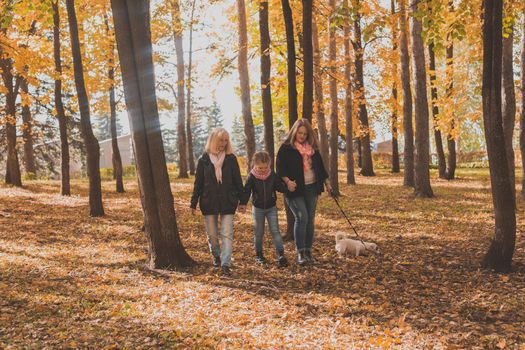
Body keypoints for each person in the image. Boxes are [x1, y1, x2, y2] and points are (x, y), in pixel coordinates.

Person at [190, 128, 245, 276]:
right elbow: (198, 183)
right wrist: (193, 203)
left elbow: (238, 180)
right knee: (212, 235)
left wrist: (243, 201)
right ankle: (216, 255)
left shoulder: (231, 158)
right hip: (209, 201)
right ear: (213, 140)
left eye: (226, 140)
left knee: (227, 233)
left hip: (228, 200)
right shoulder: (204, 160)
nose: (223, 143)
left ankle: (226, 263)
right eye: (221, 140)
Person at [276, 119, 331, 265]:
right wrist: (288, 182)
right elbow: (280, 169)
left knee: (310, 219)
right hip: (294, 189)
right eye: (300, 133)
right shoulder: (286, 148)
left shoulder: (312, 149)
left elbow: (320, 167)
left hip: (312, 187)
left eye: (305, 134)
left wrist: (327, 183)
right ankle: (300, 253)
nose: (302, 136)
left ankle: (308, 251)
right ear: (294, 132)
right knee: (302, 217)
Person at [241, 151, 288, 267]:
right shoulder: (251, 176)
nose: (263, 170)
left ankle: (281, 254)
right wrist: (242, 203)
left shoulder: (272, 175)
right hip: (258, 208)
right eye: (260, 167)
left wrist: (288, 186)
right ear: (254, 165)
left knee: (275, 231)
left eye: (265, 167)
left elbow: (279, 187)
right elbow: (246, 191)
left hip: (271, 207)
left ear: (269, 165)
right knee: (259, 232)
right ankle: (259, 255)